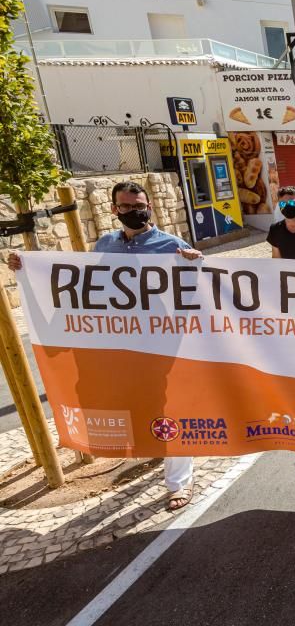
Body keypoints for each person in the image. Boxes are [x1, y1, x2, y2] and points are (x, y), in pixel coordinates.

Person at [7, 181, 205, 511]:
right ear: (113, 210)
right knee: (138, 406)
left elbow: (201, 288)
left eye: (138, 205)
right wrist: (26, 268)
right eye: (125, 207)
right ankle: (156, 450)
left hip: (162, 347)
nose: (133, 211)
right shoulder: (106, 244)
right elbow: (88, 286)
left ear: (150, 207)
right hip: (123, 349)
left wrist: (197, 263)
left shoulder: (171, 246)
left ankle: (179, 483)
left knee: (168, 410)